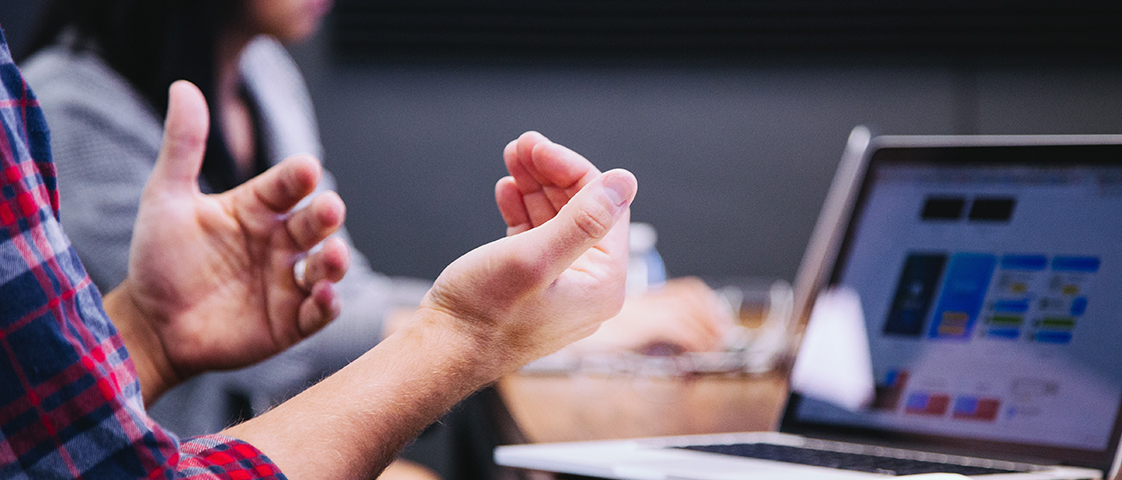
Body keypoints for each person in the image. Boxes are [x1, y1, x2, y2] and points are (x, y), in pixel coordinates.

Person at [20, 1, 724, 476]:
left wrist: (148, 330)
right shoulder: (68, 109)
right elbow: (292, 348)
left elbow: (330, 297)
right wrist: (496, 325)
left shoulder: (264, 74)